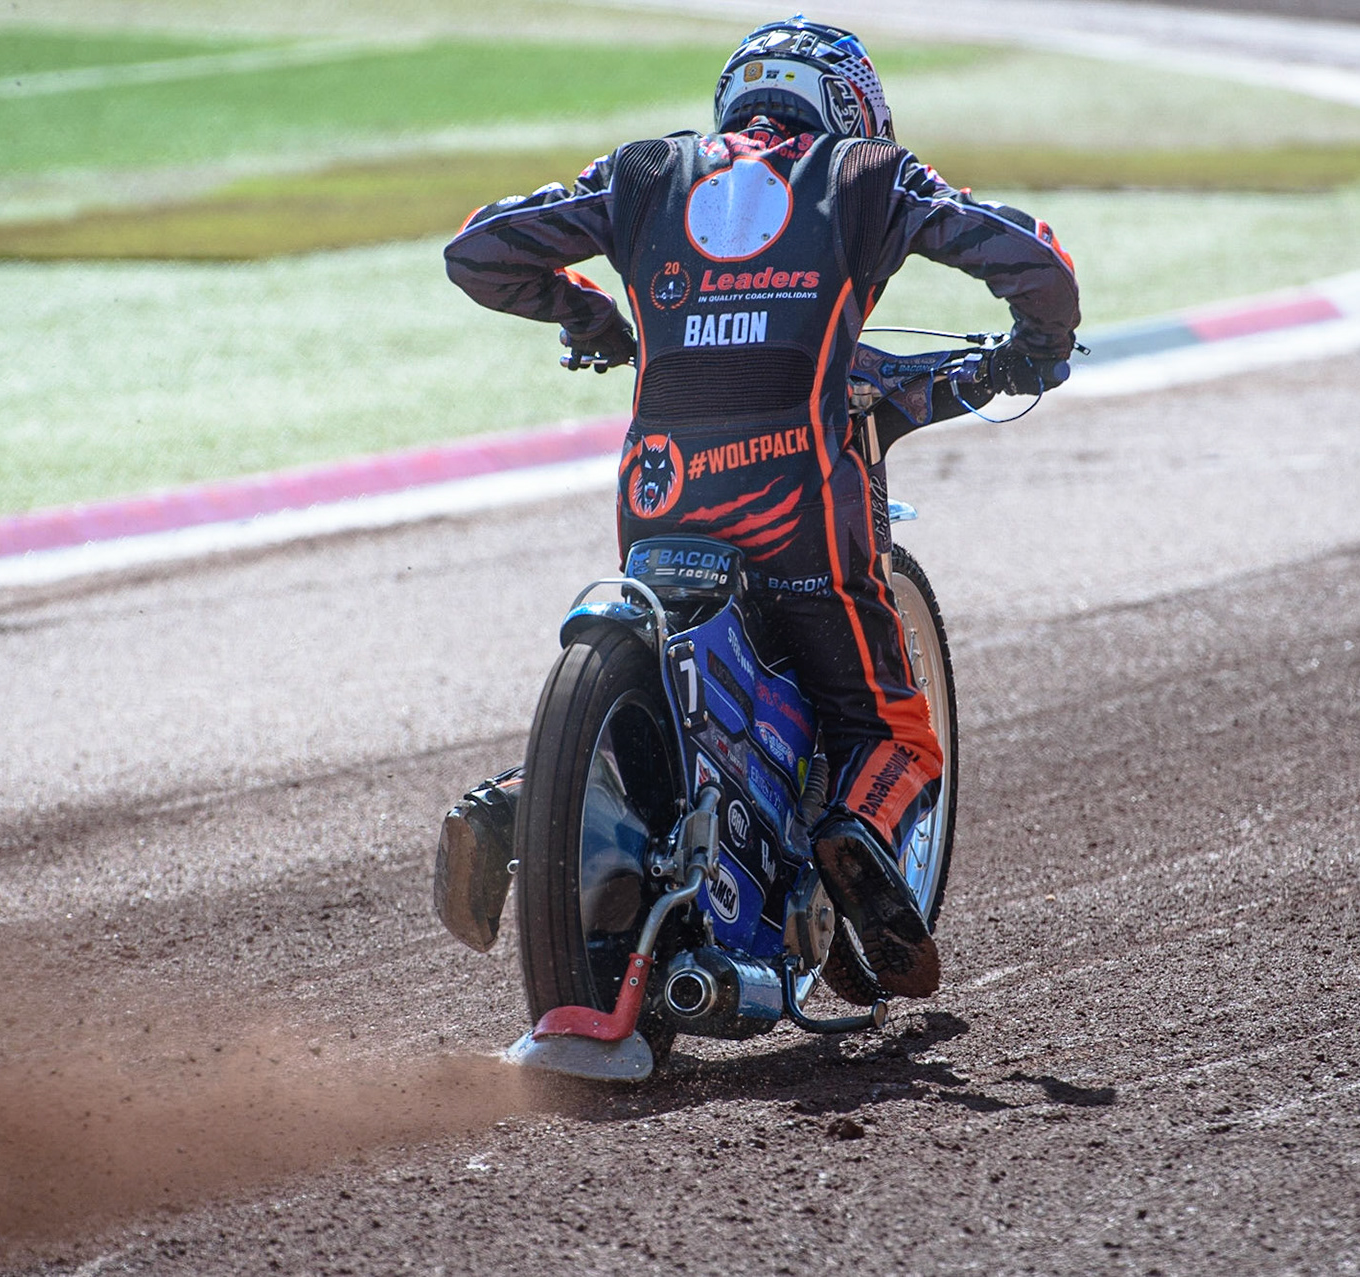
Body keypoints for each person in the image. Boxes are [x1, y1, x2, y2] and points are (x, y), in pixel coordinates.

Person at [442, 17, 1080, 999]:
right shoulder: (869, 171)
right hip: (796, 500)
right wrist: (1039, 344)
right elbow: (1035, 261)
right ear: (851, 104)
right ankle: (856, 831)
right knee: (891, 728)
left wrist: (590, 314)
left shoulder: (644, 169)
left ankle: (514, 808)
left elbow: (480, 248)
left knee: (649, 720)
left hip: (659, 494)